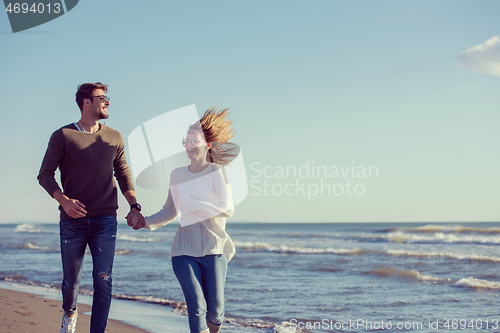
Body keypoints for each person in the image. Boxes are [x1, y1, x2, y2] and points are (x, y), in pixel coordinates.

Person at [37, 82, 143, 333]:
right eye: (102, 97)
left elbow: (124, 173)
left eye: (107, 97)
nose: (107, 102)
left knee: (103, 280)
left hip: (106, 218)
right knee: (71, 283)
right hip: (72, 220)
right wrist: (63, 200)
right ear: (86, 102)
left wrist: (134, 206)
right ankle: (70, 314)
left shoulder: (114, 137)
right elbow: (45, 174)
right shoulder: (63, 136)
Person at [129, 107, 238, 333]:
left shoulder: (216, 171)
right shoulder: (177, 175)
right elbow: (169, 211)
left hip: (214, 248)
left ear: (207, 144)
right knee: (196, 305)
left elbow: (227, 209)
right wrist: (145, 222)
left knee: (215, 313)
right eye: (186, 140)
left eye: (193, 139)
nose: (188, 143)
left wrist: (193, 204)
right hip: (183, 250)